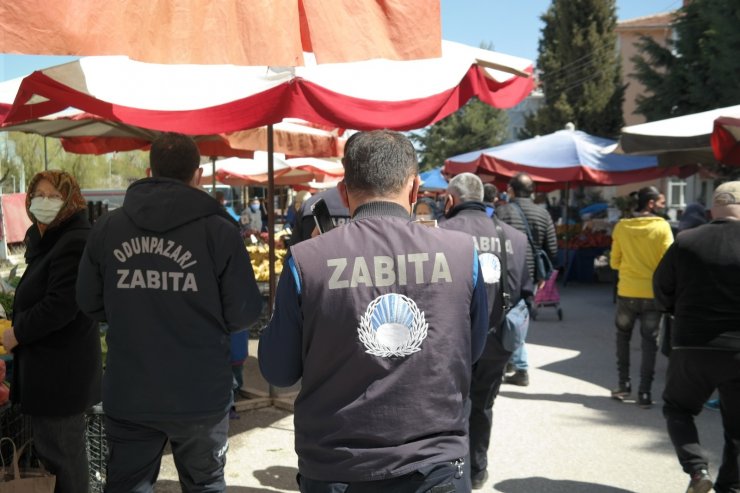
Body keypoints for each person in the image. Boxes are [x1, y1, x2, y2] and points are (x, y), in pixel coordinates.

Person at [259, 130, 490, 492]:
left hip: (337, 468)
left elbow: (278, 369)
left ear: (343, 191)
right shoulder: (463, 253)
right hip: (437, 467)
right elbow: (471, 352)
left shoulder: (307, 260)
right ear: (415, 190)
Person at [76, 132, 263, 492]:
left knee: (128, 485)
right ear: (198, 176)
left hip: (131, 392)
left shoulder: (108, 228)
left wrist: (133, 304)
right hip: (200, 396)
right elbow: (244, 313)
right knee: (205, 483)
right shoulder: (220, 231)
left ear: (149, 171)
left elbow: (88, 302)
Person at [1, 170, 102, 493]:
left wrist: (17, 333)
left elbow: (60, 305)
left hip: (61, 373)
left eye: (53, 196)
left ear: (70, 201)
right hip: (52, 371)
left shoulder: (74, 240)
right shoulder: (48, 237)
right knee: (57, 456)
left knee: (64, 459)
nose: (43, 202)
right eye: (38, 195)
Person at [439, 173, 532, 489]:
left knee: (451, 407)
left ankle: (455, 473)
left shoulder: (439, 233)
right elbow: (525, 289)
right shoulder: (515, 239)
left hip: (452, 342)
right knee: (482, 405)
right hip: (496, 339)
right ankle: (478, 469)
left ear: (451, 200)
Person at [653, 181, 740, 493]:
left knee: (678, 408)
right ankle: (730, 487)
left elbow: (662, 290)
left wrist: (680, 309)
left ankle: (697, 470)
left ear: (713, 208)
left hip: (692, 343)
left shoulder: (686, 241)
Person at [609, 186, 672, 409]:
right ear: (651, 203)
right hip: (653, 294)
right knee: (649, 343)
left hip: (627, 291)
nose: (665, 205)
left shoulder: (622, 227)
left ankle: (623, 385)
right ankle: (645, 393)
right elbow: (669, 263)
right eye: (662, 201)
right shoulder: (663, 227)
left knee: (622, 338)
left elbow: (614, 262)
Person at [495, 172, 558, 386]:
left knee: (504, 318)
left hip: (507, 272)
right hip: (530, 274)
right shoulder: (543, 214)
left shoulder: (502, 211)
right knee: (520, 317)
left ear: (510, 190)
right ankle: (514, 363)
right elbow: (553, 248)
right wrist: (542, 275)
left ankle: (517, 365)